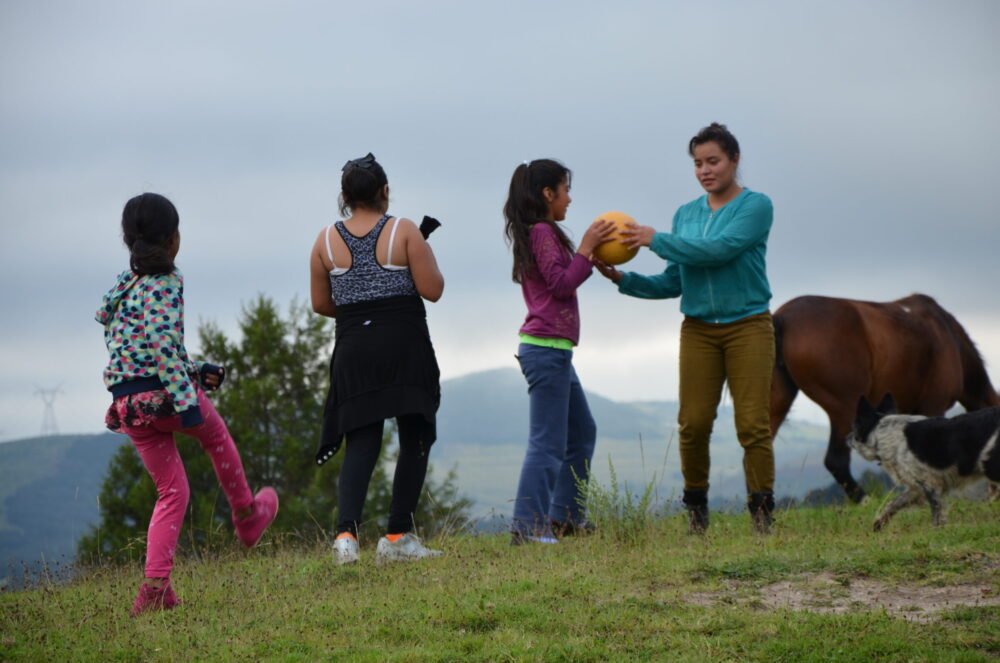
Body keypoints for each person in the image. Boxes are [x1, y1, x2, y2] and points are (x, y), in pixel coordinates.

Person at [97, 193, 278, 617]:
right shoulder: (166, 283)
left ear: (129, 241)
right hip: (164, 397)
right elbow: (161, 346)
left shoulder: (123, 289)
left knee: (172, 491)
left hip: (129, 404)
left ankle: (156, 587)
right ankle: (247, 515)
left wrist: (196, 372)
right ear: (174, 240)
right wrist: (187, 400)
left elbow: (145, 352)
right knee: (216, 438)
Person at [595, 123, 777, 534]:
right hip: (697, 329)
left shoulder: (757, 206)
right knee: (693, 424)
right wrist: (624, 280)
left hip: (748, 325)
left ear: (734, 160)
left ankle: (762, 515)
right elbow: (675, 281)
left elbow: (719, 251)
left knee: (752, 425)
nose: (704, 171)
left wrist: (653, 239)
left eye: (713, 161)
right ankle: (696, 513)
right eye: (697, 163)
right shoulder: (686, 214)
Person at [310, 153, 444, 565]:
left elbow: (321, 303)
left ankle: (346, 539)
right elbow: (433, 289)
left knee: (362, 441)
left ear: (345, 197)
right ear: (385, 192)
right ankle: (397, 534)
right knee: (416, 434)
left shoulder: (325, 240)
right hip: (404, 346)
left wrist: (361, 309)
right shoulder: (403, 230)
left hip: (354, 349)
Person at [503, 159, 615, 544]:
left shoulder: (541, 233)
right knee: (548, 443)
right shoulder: (542, 233)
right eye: (565, 190)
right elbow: (562, 285)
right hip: (546, 351)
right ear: (547, 194)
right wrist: (583, 249)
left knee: (582, 431)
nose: (569, 198)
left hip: (555, 351)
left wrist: (587, 257)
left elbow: (563, 279)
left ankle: (564, 518)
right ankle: (527, 527)